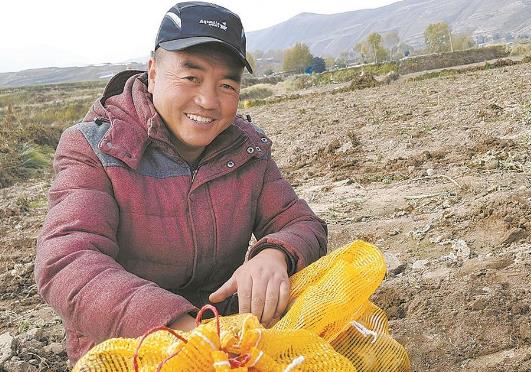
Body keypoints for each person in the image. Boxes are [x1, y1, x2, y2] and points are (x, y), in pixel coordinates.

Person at [34, 2, 327, 364]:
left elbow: (301, 223)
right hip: (130, 347)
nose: (207, 101)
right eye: (191, 77)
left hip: (226, 336)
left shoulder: (247, 149)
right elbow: (67, 260)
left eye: (226, 84)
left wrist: (275, 253)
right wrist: (178, 328)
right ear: (153, 72)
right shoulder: (94, 148)